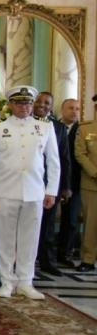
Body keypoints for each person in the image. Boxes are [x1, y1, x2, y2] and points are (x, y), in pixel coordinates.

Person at [0, 85, 60, 299]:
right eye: (19, 102)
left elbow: (54, 162)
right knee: (5, 239)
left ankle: (26, 281)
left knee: (30, 238)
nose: (24, 106)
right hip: (5, 191)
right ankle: (7, 281)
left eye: (27, 102)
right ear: (10, 104)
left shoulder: (45, 127)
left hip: (34, 191)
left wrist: (51, 191)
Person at [33, 91, 72, 277]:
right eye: (39, 101)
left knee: (48, 226)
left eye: (46, 102)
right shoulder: (23, 123)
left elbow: (64, 158)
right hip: (29, 182)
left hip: (50, 184)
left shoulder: (58, 127)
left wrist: (65, 186)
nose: (42, 105)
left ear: (51, 106)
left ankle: (47, 261)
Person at [57, 98, 81, 267]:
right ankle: (42, 253)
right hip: (50, 181)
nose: (74, 111)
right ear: (62, 109)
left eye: (77, 109)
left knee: (71, 220)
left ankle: (64, 253)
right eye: (71, 108)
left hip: (73, 182)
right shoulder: (52, 126)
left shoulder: (82, 130)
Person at [75, 94, 97, 273]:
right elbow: (80, 154)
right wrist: (95, 173)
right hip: (92, 184)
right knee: (91, 224)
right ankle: (88, 259)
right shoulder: (85, 129)